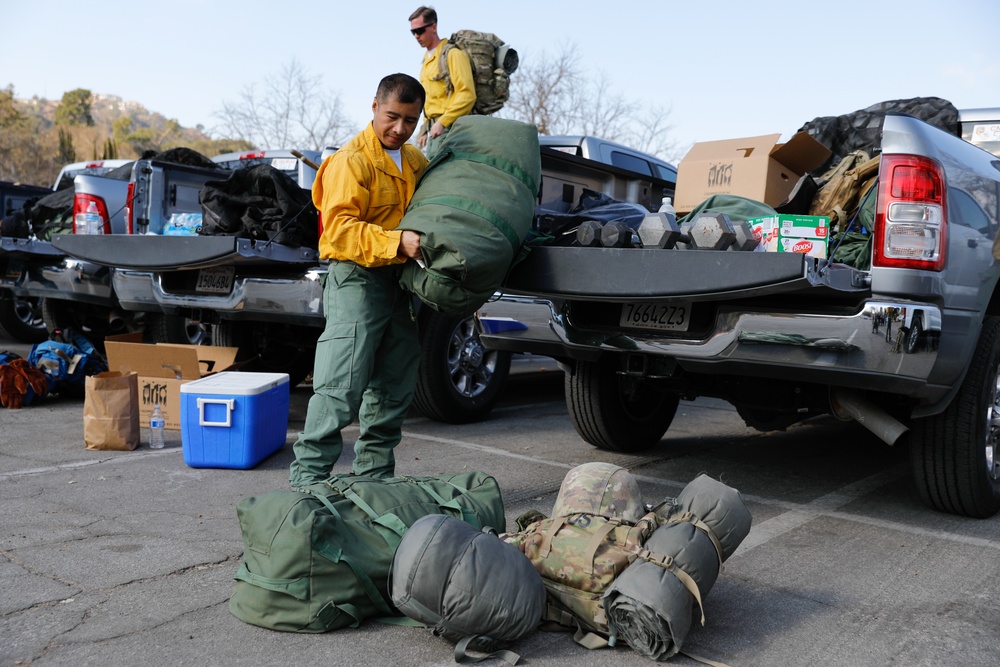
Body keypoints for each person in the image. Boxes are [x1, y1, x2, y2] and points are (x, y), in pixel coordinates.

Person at [288, 73, 429, 488]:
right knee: (340, 386)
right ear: (374, 106)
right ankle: (307, 487)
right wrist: (397, 241)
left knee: (393, 388)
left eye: (410, 120)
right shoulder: (352, 161)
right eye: (392, 117)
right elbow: (339, 232)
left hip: (398, 283)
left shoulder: (416, 161)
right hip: (356, 278)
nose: (400, 129)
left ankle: (373, 485)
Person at [409, 5, 476, 158]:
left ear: (434, 26)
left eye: (419, 31)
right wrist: (424, 129)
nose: (416, 36)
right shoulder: (427, 62)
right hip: (435, 131)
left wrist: (443, 122)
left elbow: (467, 94)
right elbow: (429, 99)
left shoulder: (453, 55)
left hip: (451, 129)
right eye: (413, 32)